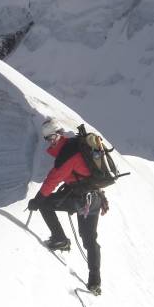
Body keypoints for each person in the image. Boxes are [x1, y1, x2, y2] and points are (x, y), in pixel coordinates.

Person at [28, 118, 108, 295]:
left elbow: (53, 179)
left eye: (52, 137)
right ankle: (95, 281)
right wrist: (102, 196)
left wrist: (37, 199)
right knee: (89, 240)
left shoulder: (66, 154)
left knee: (45, 204)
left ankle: (60, 239)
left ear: (60, 134)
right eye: (47, 139)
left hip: (81, 200)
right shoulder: (75, 145)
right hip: (93, 198)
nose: (50, 141)